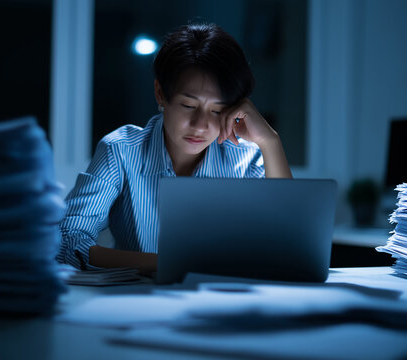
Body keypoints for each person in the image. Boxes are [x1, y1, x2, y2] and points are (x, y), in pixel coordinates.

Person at [57, 23, 292, 273]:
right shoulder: (121, 151)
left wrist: (270, 141)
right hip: (139, 302)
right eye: (189, 106)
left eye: (217, 111)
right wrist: (167, 264)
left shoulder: (245, 157)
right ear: (160, 94)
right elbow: (68, 242)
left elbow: (289, 244)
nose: (201, 125)